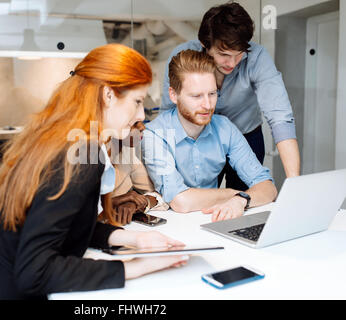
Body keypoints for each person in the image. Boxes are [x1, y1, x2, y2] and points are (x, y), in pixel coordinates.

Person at [0, 44, 189, 300]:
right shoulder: (81, 157)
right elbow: (35, 272)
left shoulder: (60, 137)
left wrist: (132, 239)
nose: (141, 115)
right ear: (108, 95)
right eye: (136, 101)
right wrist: (136, 267)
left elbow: (63, 224)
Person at [161, 2, 300, 191]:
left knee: (245, 198)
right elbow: (169, 114)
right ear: (204, 45)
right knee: (202, 200)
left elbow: (280, 117)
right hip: (200, 138)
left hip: (246, 135)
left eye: (239, 54)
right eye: (223, 54)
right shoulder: (184, 57)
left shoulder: (257, 57)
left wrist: (294, 184)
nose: (232, 62)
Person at [143, 49, 277, 222]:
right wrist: (234, 194)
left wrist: (241, 200)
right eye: (196, 96)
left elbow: (268, 187)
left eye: (212, 94)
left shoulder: (225, 128)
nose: (207, 105)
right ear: (173, 95)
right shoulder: (155, 134)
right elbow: (181, 201)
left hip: (215, 220)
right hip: (170, 226)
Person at [109, 121, 169, 226]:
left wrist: (139, 202)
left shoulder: (127, 153)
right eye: (133, 122)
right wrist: (111, 202)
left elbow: (158, 193)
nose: (142, 127)